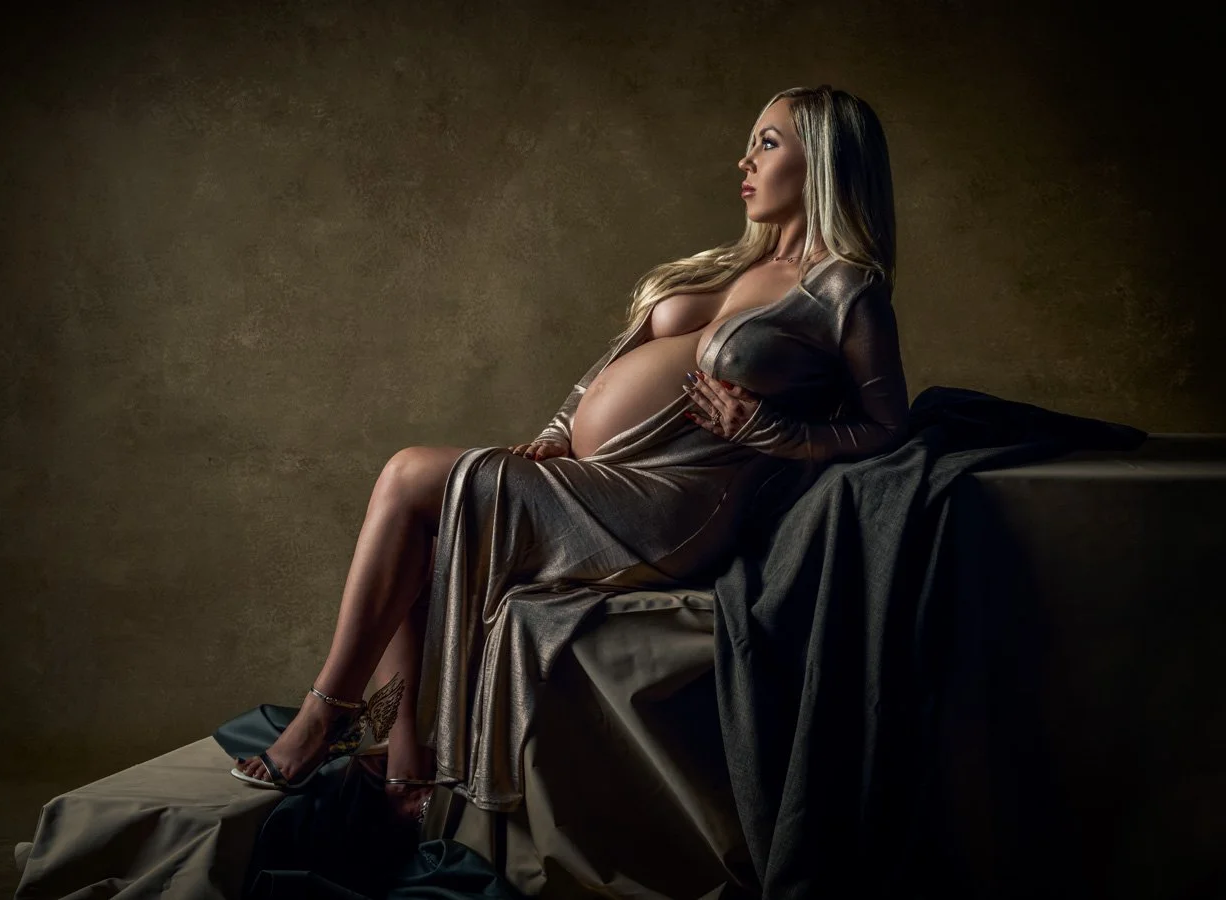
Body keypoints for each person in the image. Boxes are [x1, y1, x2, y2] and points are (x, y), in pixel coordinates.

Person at [230, 84, 911, 844]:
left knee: (410, 477)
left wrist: (775, 430)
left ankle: (329, 711)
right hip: (603, 478)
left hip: (675, 505)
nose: (744, 160)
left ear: (824, 160)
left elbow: (888, 428)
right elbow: (612, 363)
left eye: (769, 143)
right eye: (752, 142)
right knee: (433, 514)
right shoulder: (732, 264)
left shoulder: (846, 289)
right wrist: (560, 429)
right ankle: (404, 762)